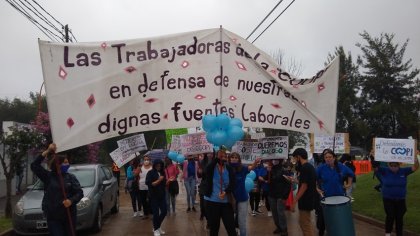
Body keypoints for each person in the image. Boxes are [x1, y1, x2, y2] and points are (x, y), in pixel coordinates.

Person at [30, 143, 83, 236]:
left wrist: (71, 201)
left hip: (69, 215)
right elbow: (34, 165)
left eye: (68, 162)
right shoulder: (48, 177)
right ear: (57, 164)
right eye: (65, 162)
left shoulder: (71, 177)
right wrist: (48, 151)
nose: (68, 164)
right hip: (53, 216)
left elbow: (79, 192)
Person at [371, 151, 419, 236]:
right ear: (389, 165)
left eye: (395, 166)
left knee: (399, 218)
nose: (393, 168)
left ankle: (399, 234)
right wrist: (373, 157)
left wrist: (416, 157)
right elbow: (375, 167)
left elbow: (415, 167)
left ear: (399, 165)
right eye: (391, 166)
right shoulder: (385, 171)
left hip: (400, 200)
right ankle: (388, 233)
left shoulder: (404, 171)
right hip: (388, 199)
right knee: (390, 216)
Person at [316, 149, 355, 236]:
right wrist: (317, 189)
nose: (328, 159)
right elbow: (313, 178)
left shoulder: (341, 166)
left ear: (334, 158)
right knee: (322, 221)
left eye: (330, 157)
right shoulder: (321, 168)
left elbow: (351, 174)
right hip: (325, 198)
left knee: (337, 220)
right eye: (326, 157)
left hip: (339, 198)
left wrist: (349, 184)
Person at [203, 148, 237, 236]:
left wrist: (225, 192)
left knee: (231, 228)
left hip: (226, 202)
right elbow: (206, 171)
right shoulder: (211, 167)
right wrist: (217, 158)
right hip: (212, 201)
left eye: (224, 155)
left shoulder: (229, 168)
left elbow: (233, 183)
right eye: (220, 155)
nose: (222, 157)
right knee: (214, 228)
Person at [229, 152, 261, 236]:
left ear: (239, 159)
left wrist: (255, 162)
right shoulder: (226, 168)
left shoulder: (242, 168)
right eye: (232, 157)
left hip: (242, 199)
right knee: (230, 221)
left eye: (236, 157)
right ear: (229, 159)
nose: (234, 159)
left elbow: (251, 168)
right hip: (230, 199)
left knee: (242, 221)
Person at [290, 148, 317, 236]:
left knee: (305, 225)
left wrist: (294, 201)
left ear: (298, 157)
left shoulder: (305, 167)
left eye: (294, 158)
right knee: (303, 223)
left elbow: (304, 186)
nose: (294, 160)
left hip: (306, 199)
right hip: (307, 199)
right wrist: (295, 180)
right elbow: (305, 182)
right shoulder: (308, 167)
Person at [268, 159, 291, 236]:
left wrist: (285, 196)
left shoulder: (284, 170)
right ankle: (279, 227)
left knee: (280, 213)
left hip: (281, 196)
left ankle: (284, 229)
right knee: (274, 213)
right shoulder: (270, 169)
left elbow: (288, 184)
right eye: (274, 159)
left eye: (276, 159)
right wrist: (268, 172)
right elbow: (267, 180)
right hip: (272, 195)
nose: (274, 161)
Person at [146, 159, 167, 236]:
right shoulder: (150, 173)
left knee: (164, 211)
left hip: (162, 195)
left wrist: (168, 181)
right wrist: (159, 180)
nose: (159, 166)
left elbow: (164, 184)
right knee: (156, 213)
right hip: (154, 196)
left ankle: (157, 226)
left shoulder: (162, 173)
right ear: (154, 165)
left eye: (160, 165)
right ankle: (156, 230)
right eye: (157, 165)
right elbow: (151, 184)